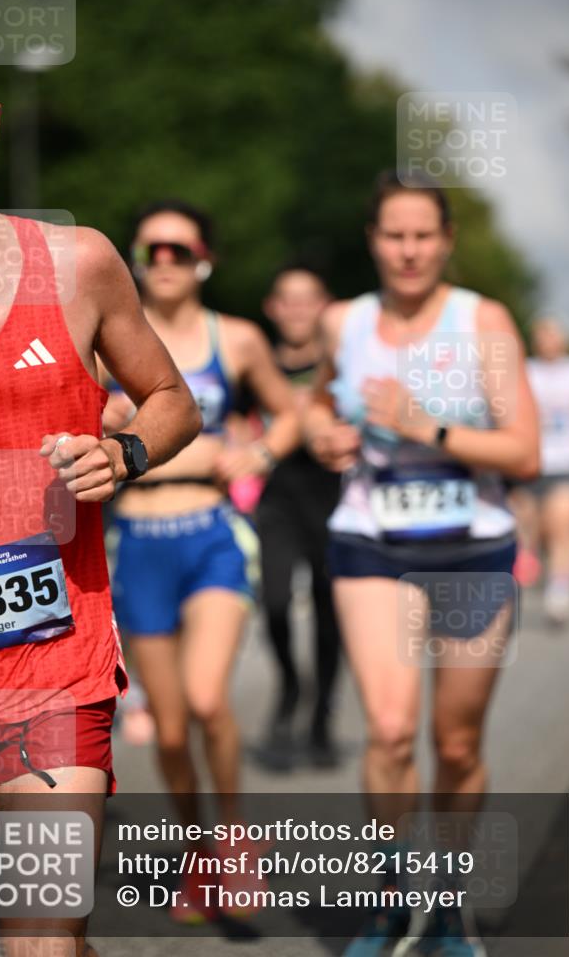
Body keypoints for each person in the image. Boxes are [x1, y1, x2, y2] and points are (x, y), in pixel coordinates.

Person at [0, 27, 201, 957]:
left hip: (50, 665)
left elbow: (172, 400)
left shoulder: (77, 263)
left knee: (39, 937)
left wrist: (120, 455)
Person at [306, 170, 539, 956]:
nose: (407, 251)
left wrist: (424, 426)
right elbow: (318, 404)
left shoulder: (484, 323)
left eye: (422, 236)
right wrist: (321, 435)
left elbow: (524, 451)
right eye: (392, 235)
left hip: (472, 544)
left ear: (445, 241)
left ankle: (445, 903)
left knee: (456, 744)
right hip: (371, 541)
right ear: (372, 240)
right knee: (393, 729)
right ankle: (389, 899)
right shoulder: (345, 320)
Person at [104, 199, 299, 922]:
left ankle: (235, 840)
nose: (163, 263)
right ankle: (198, 854)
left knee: (210, 698)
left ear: (204, 260)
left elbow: (292, 411)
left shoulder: (237, 337)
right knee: (173, 724)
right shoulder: (106, 343)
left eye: (178, 251)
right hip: (140, 544)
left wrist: (261, 451)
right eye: (150, 250)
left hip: (211, 534)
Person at [255, 266, 342, 771]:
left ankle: (322, 719)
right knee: (275, 603)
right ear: (273, 308)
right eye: (288, 300)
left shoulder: (342, 364)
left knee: (332, 617)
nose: (298, 310)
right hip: (277, 503)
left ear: (324, 306)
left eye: (308, 300)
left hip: (333, 501)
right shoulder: (259, 364)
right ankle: (290, 682)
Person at [510, 316, 569, 623]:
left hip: (567, 462)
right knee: (526, 525)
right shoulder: (526, 370)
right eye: (543, 335)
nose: (549, 341)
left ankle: (560, 590)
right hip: (531, 461)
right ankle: (523, 572)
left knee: (563, 525)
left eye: (553, 335)